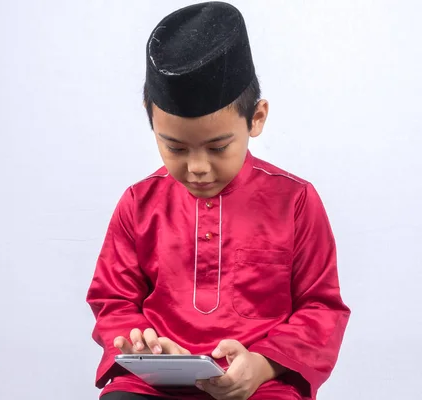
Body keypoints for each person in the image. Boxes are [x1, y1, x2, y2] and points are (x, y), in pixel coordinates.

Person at [86, 2, 350, 399]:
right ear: (151, 119)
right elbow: (113, 299)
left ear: (256, 119)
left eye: (217, 147)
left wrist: (263, 364)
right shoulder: (139, 203)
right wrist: (142, 345)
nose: (197, 168)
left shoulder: (294, 201)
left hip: (260, 385)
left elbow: (321, 308)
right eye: (174, 147)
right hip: (153, 385)